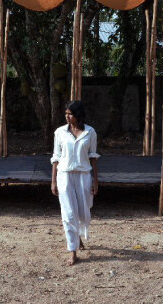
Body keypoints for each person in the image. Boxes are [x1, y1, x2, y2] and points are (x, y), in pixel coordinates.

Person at [51, 100, 100, 266]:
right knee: (68, 213)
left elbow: (93, 157)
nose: (67, 117)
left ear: (78, 115)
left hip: (83, 175)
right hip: (64, 176)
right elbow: (56, 158)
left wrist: (95, 181)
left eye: (70, 114)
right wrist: (53, 182)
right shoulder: (59, 133)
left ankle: (78, 236)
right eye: (65, 113)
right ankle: (72, 251)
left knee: (83, 210)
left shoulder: (90, 132)